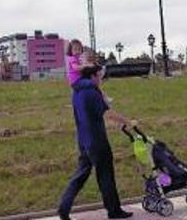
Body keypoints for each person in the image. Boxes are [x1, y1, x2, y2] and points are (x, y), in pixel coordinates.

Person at [58, 64, 135, 220]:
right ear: (93, 76)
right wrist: (127, 122)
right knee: (106, 175)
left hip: (83, 139)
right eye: (100, 76)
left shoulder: (76, 92)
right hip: (97, 140)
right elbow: (107, 112)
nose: (101, 80)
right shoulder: (92, 92)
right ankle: (114, 211)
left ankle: (64, 207)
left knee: (80, 174)